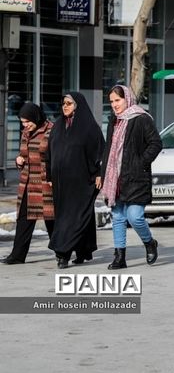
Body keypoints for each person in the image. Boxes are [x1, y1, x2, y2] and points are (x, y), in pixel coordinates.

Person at [100, 85, 162, 270]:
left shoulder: (141, 119)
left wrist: (141, 163)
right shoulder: (114, 120)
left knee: (134, 216)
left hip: (136, 177)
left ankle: (149, 242)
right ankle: (120, 257)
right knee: (118, 216)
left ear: (127, 99)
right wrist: (103, 175)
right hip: (116, 177)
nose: (114, 105)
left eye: (117, 100)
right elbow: (109, 149)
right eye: (111, 102)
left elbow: (156, 143)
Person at [47, 92, 105, 269]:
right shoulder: (58, 126)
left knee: (74, 217)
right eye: (63, 103)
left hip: (82, 181)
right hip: (60, 183)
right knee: (73, 216)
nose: (65, 106)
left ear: (78, 105)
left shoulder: (89, 128)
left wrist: (98, 174)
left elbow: (100, 153)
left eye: (69, 103)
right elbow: (49, 154)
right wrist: (49, 176)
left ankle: (62, 253)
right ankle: (83, 249)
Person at [1, 103, 54, 265]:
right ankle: (17, 255)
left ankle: (61, 252)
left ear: (35, 117)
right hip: (27, 183)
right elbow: (23, 153)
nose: (25, 125)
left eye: (27, 121)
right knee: (23, 219)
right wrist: (19, 160)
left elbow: (57, 156)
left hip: (45, 183)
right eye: (22, 122)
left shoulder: (51, 131)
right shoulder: (26, 133)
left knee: (52, 220)